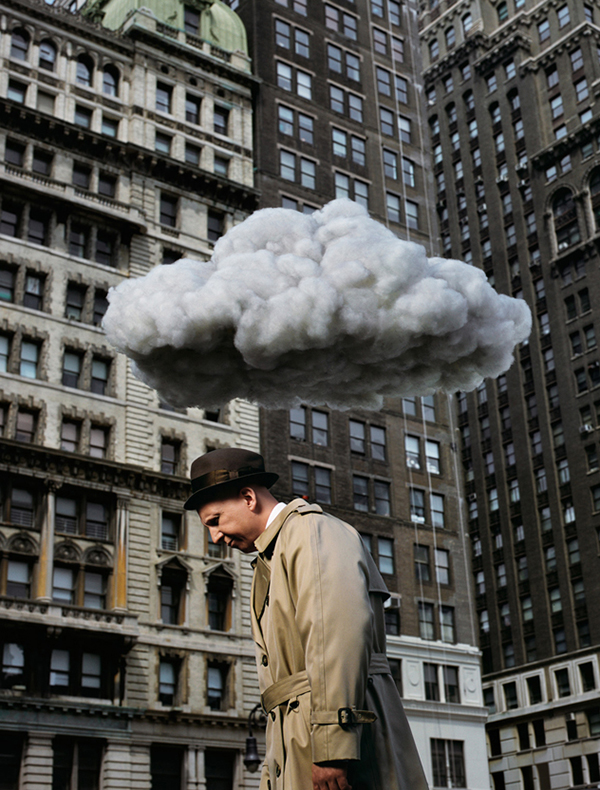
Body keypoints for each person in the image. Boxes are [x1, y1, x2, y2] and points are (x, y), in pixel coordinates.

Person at [185, 447, 429, 790]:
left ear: (248, 497)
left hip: (329, 735)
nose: (215, 537)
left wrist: (331, 749)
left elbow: (335, 637)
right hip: (300, 735)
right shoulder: (276, 551)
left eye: (215, 521)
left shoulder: (311, 533)